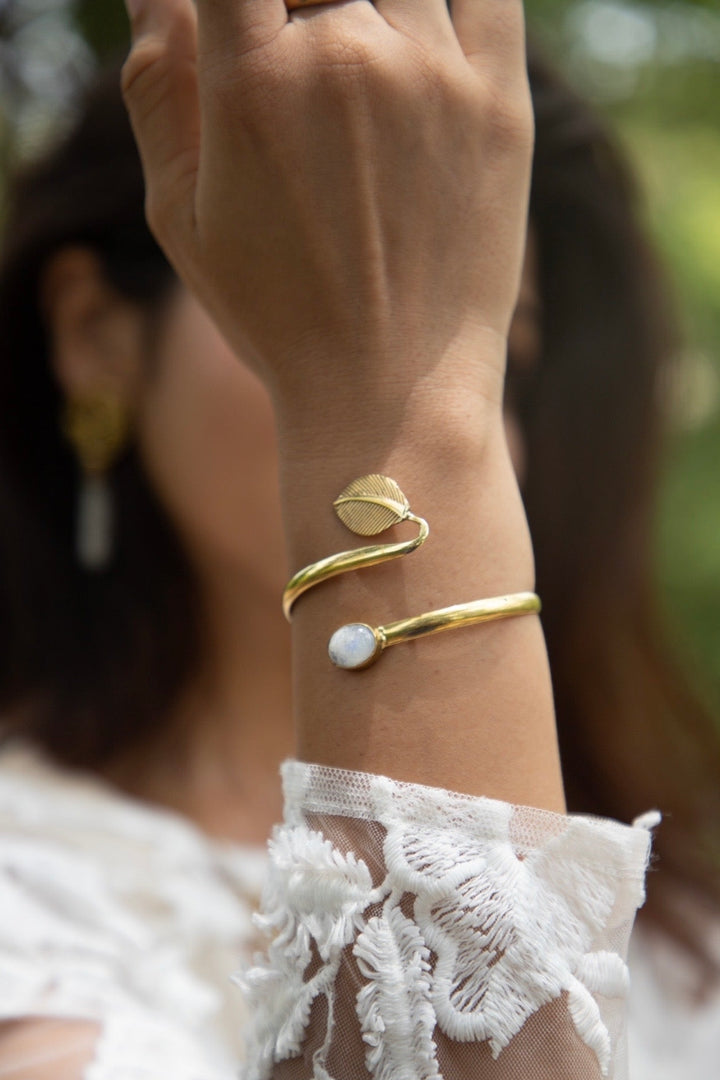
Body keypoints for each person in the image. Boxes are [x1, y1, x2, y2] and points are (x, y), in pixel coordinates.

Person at [0, 0, 717, 1075]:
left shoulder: (681, 920)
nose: (467, 426)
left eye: (498, 364)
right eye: (314, 293)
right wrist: (385, 405)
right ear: (95, 333)